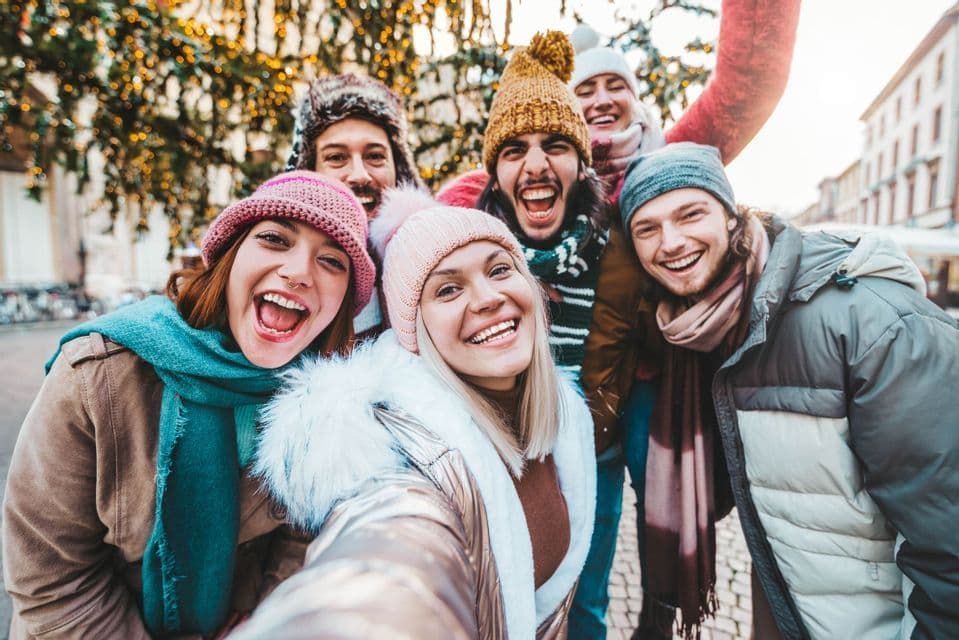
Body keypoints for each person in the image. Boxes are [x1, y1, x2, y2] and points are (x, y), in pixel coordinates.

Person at [2, 172, 376, 639]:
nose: (300, 271)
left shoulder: (329, 401)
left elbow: (303, 540)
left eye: (331, 261)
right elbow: (51, 581)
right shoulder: (97, 373)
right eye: (275, 239)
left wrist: (265, 621)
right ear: (230, 257)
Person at [618, 142, 959, 639]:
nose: (669, 242)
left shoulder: (876, 325)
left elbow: (948, 548)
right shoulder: (702, 332)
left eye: (690, 213)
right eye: (646, 229)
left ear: (733, 217)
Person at [231, 187, 596, 639]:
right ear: (414, 329)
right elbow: (392, 552)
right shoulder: (401, 455)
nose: (486, 298)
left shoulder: (565, 419)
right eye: (447, 289)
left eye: (500, 269)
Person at [569, 3, 800, 637]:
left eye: (617, 84)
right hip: (577, 394)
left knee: (663, 510)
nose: (603, 96)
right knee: (585, 538)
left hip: (660, 386)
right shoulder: (549, 170)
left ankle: (659, 611)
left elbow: (746, 82)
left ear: (636, 99)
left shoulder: (673, 157)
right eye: (585, 87)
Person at [286, 72, 426, 335]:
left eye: (375, 156)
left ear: (400, 169)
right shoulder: (282, 271)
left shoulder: (433, 263)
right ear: (309, 169)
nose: (360, 174)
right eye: (337, 157)